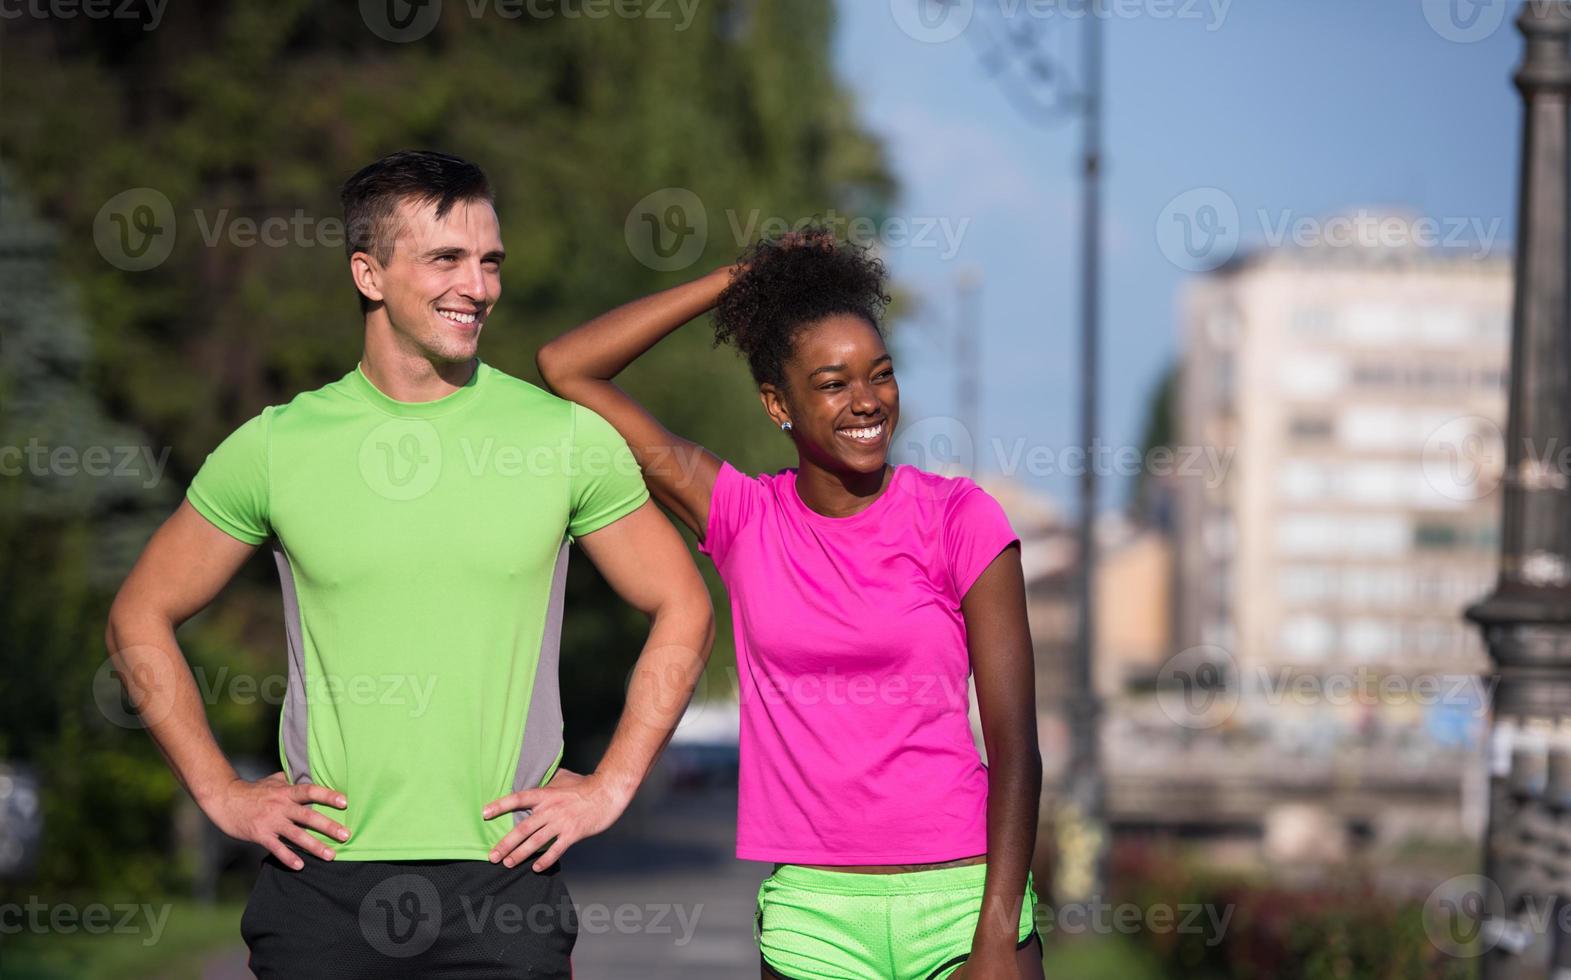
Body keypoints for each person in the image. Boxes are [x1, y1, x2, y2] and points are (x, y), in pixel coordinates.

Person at [103, 150, 715, 978]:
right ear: (369, 272)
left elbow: (684, 604)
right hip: (318, 892)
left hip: (505, 888)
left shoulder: (561, 439)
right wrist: (221, 792)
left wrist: (611, 784)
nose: (478, 285)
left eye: (489, 260)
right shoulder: (279, 446)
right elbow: (137, 617)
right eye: (445, 259)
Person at [536, 228, 1044, 979]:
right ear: (777, 401)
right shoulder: (741, 516)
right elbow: (569, 367)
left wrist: (996, 935)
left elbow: (1014, 745)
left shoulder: (959, 518)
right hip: (815, 915)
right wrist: (742, 280)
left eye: (880, 374)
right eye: (833, 383)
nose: (866, 402)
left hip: (962, 895)